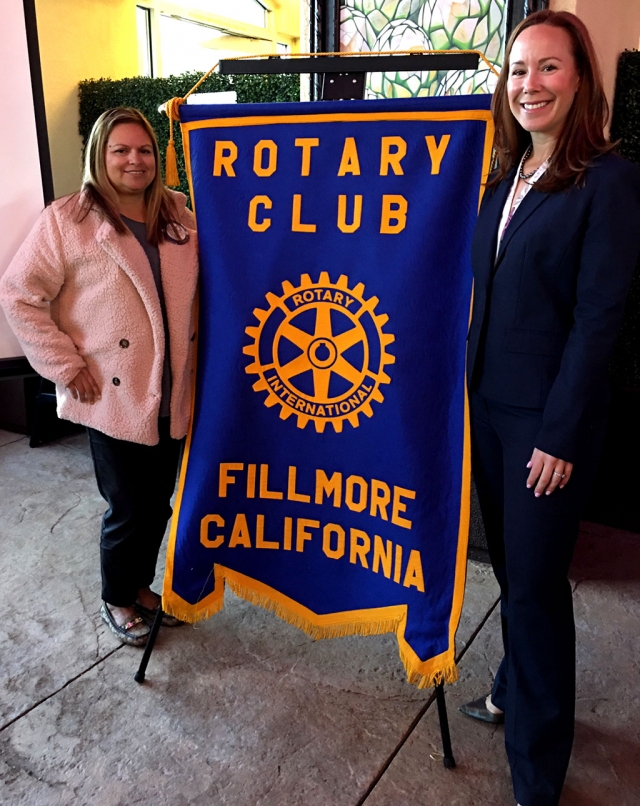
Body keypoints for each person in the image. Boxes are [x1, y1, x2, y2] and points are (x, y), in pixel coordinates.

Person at [462, 10, 640, 806]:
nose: (528, 84)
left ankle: (537, 773)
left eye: (547, 68)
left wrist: (562, 434)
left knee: (534, 587)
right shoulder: (504, 179)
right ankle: (511, 685)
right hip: (487, 414)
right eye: (518, 70)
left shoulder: (609, 180)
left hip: (545, 429)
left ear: (579, 80)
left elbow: (602, 320)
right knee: (512, 573)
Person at [0, 107, 199, 647]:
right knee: (128, 506)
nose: (135, 160)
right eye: (121, 150)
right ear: (100, 157)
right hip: (112, 391)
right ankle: (118, 597)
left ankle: (140, 585)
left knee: (158, 502)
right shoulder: (68, 219)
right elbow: (20, 296)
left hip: (174, 388)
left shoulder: (178, 214)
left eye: (144, 151)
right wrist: (65, 365)